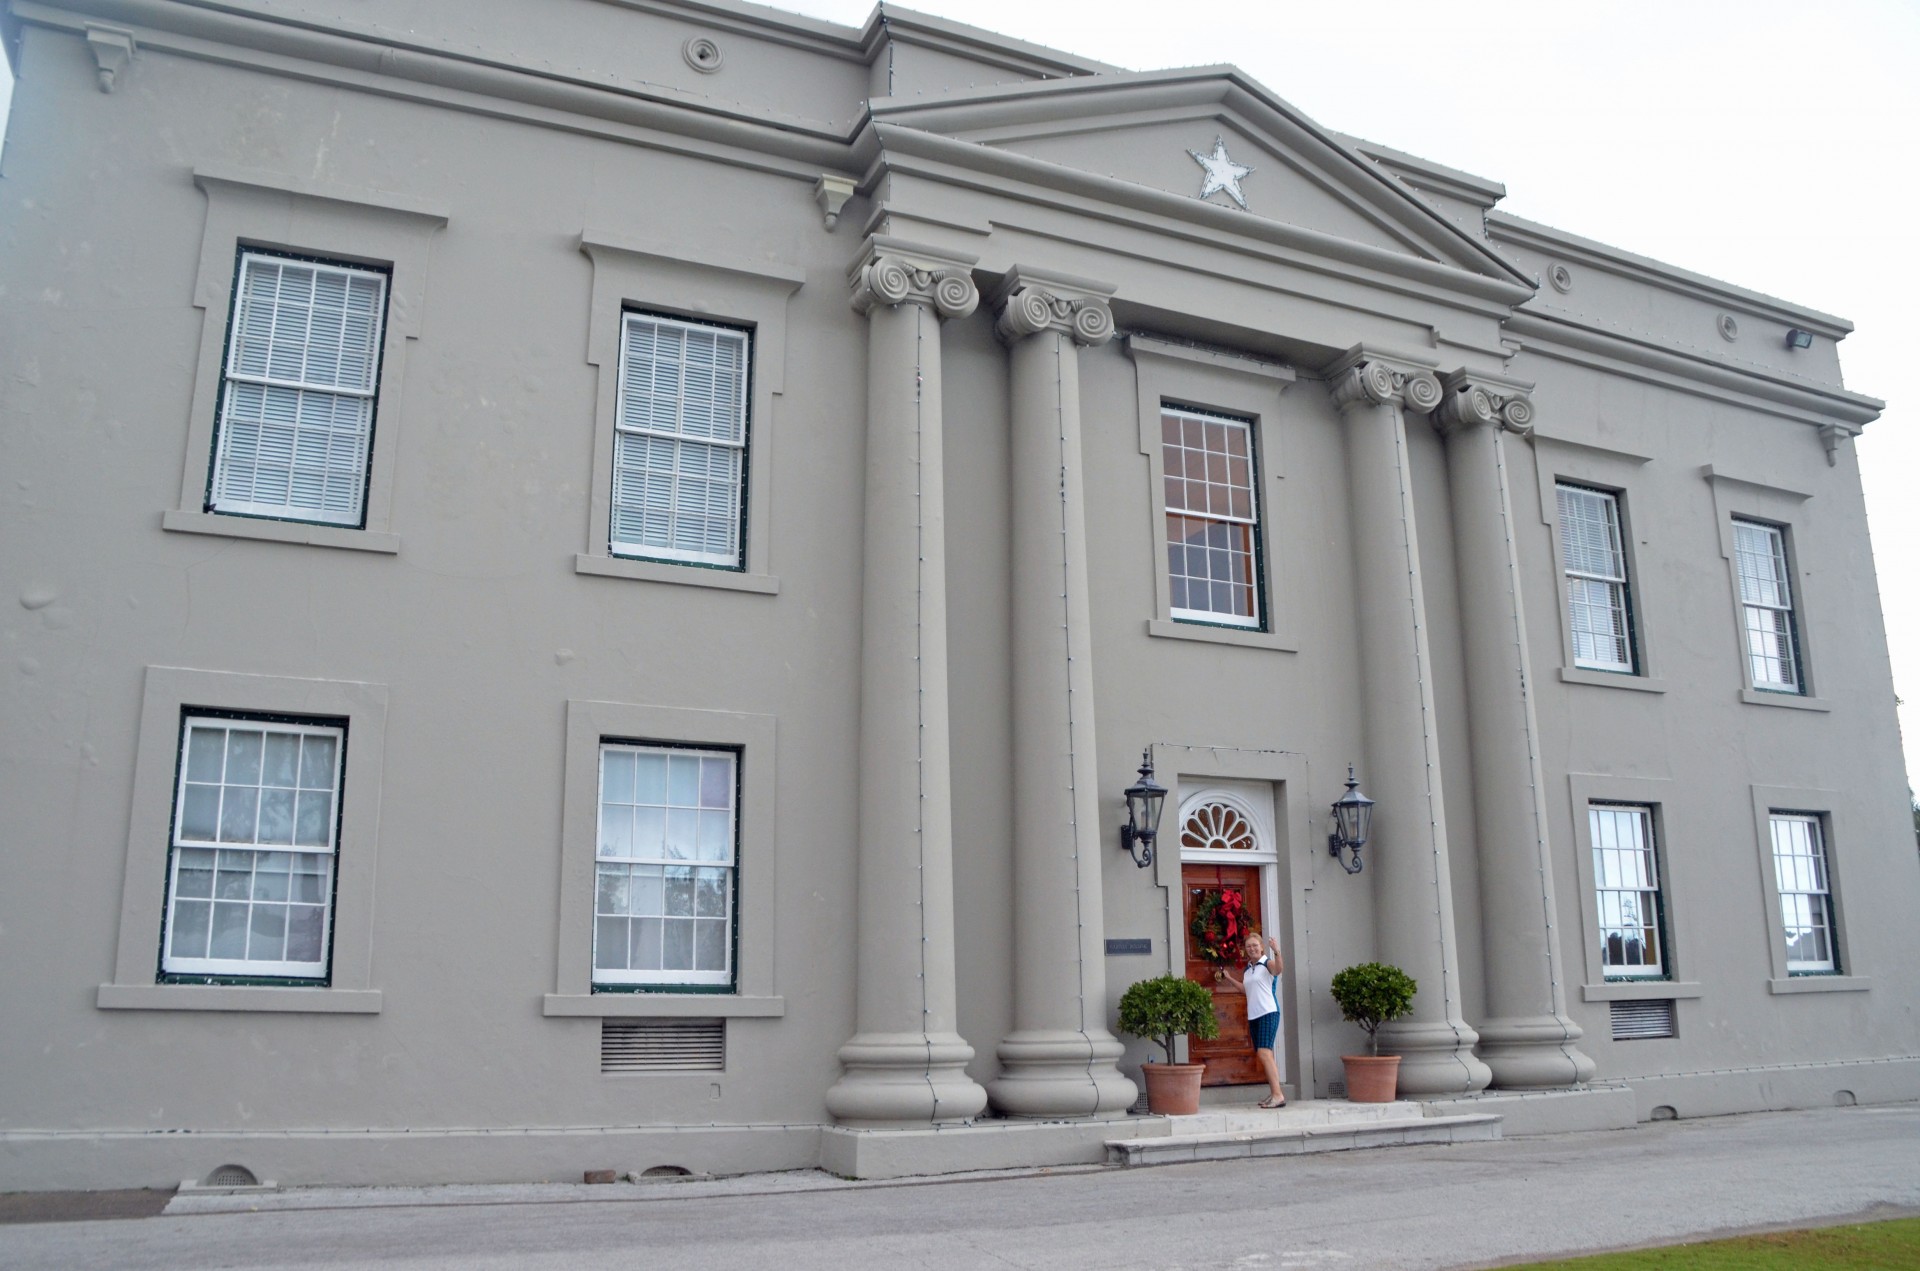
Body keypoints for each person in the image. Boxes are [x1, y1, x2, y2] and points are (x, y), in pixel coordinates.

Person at [1219, 929, 1286, 1107]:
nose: (1252, 949)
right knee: (1265, 1054)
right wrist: (1230, 978)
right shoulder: (1249, 969)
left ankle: (1278, 1096)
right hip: (1254, 1015)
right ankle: (1274, 1093)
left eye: (1255, 946)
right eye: (1248, 947)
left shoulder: (1267, 963)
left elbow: (1278, 970)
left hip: (1268, 1012)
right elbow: (1245, 990)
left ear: (1262, 948)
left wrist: (1277, 951)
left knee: (1264, 1053)